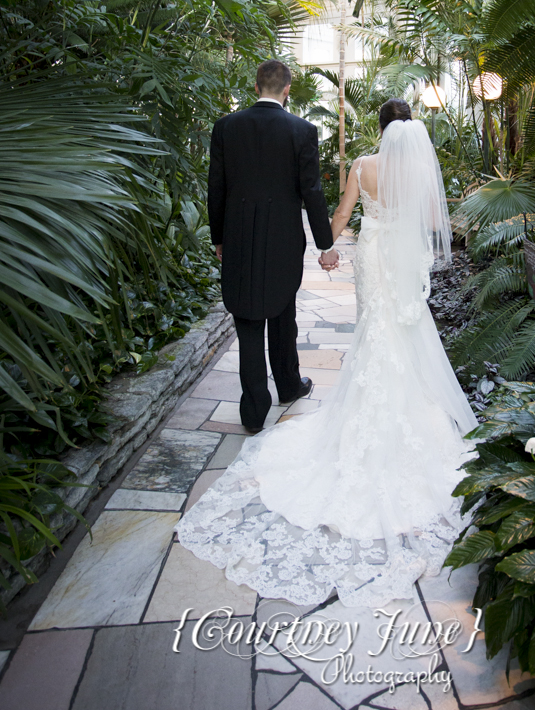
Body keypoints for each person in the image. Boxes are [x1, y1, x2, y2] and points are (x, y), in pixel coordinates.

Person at [176, 97, 478, 608]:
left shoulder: (363, 165)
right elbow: (430, 219)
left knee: (373, 328)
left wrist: (326, 245)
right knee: (405, 331)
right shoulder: (419, 170)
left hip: (374, 257)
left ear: (381, 131)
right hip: (401, 259)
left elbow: (341, 212)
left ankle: (341, 410)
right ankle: (413, 411)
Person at [207, 58, 339, 433]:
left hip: (239, 236)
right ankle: (288, 385)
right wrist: (324, 244)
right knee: (283, 311)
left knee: (248, 319)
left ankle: (253, 411)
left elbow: (216, 187)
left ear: (255, 87)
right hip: (283, 238)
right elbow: (311, 193)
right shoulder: (302, 129)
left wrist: (219, 237)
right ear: (287, 90)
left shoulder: (226, 127)